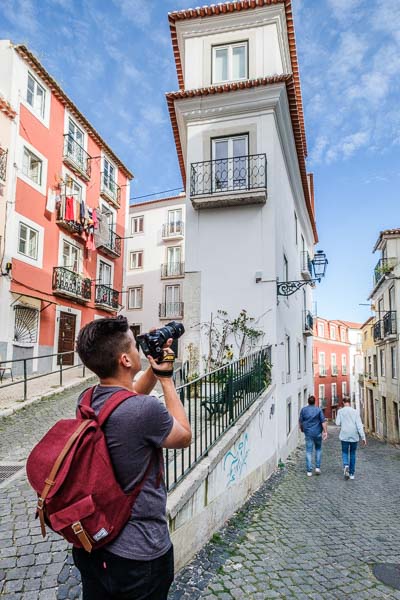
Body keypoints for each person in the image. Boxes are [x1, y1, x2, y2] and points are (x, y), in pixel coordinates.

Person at [73, 316, 192, 600]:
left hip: (94, 544)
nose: (139, 348)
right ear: (125, 360)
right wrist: (166, 379)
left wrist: (153, 367)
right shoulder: (146, 410)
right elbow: (184, 436)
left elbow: (128, 395)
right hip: (139, 555)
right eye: (134, 345)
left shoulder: (86, 399)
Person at [336, 396, 366, 480]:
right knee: (352, 453)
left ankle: (346, 465)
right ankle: (352, 474)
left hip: (344, 434)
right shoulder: (355, 412)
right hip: (354, 435)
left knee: (344, 452)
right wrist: (363, 437)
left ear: (343, 402)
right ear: (350, 402)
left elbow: (337, 423)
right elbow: (359, 425)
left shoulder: (340, 411)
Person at [299, 395, 328, 477]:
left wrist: (302, 429)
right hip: (318, 433)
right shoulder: (318, 410)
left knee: (308, 451)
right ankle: (317, 468)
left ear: (308, 402)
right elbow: (323, 421)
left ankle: (309, 471)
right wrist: (325, 432)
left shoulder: (303, 410)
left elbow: (300, 421)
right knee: (318, 449)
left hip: (308, 433)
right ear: (315, 402)